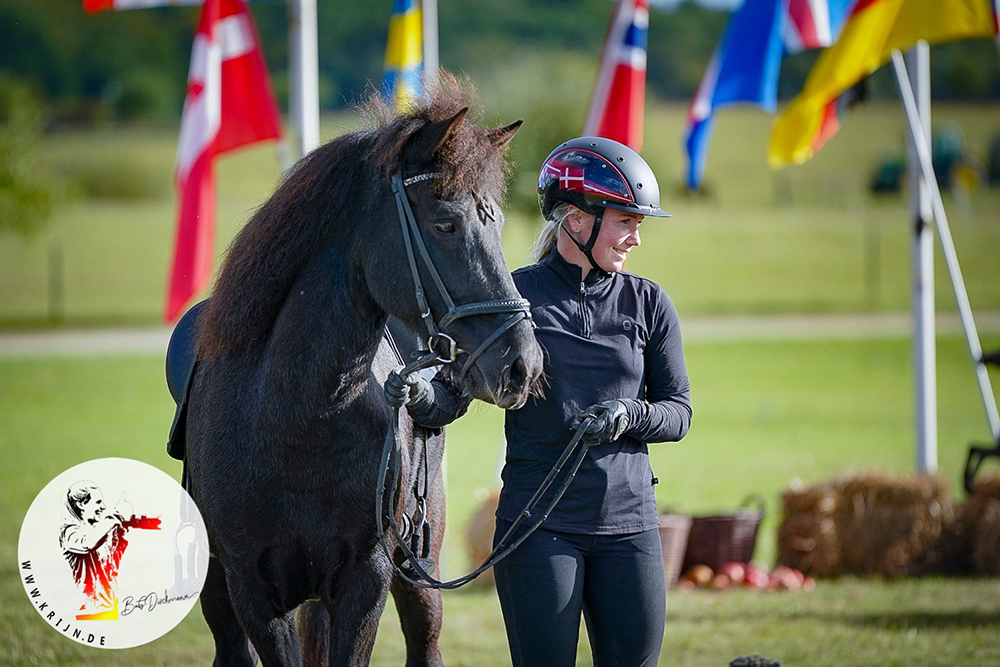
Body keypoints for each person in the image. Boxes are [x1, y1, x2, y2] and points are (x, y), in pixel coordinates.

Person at [385, 136, 691, 667]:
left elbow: (678, 411)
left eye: (637, 224)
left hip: (631, 530)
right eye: (625, 222)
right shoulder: (515, 302)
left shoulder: (650, 303)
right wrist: (418, 396)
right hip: (538, 530)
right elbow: (448, 402)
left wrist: (628, 415)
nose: (635, 238)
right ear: (576, 220)